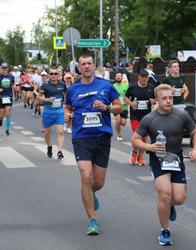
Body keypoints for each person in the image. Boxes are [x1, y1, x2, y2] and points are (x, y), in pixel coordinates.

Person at [132, 84, 196, 246]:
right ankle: (165, 230)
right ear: (156, 100)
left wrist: (195, 149)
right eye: (164, 98)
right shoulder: (149, 119)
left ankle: (171, 206)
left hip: (176, 159)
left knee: (179, 198)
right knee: (164, 193)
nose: (168, 101)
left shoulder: (182, 115)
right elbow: (135, 140)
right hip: (158, 159)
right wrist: (149, 147)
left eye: (170, 97)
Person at [64, 53, 122, 235]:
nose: (87, 66)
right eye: (83, 64)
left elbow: (119, 106)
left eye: (89, 63)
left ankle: (90, 193)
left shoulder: (106, 86)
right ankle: (92, 219)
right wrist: (67, 115)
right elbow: (67, 107)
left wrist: (106, 108)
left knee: (98, 182)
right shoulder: (73, 89)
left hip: (102, 137)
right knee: (85, 176)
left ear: (94, 66)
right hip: (81, 137)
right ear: (79, 68)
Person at [124, 69, 156, 166]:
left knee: (144, 137)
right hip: (135, 117)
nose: (144, 79)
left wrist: (153, 101)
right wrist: (131, 103)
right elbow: (125, 98)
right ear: (139, 77)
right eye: (142, 77)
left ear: (148, 78)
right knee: (137, 137)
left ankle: (140, 156)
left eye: (146, 77)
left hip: (146, 117)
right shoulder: (133, 87)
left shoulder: (151, 88)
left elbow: (155, 100)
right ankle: (134, 153)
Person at [36, 65, 67, 160]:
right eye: (51, 73)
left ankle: (60, 151)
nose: (53, 75)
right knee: (46, 133)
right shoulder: (45, 85)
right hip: (48, 112)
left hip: (59, 111)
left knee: (60, 131)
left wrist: (65, 102)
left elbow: (65, 95)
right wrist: (47, 99)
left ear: (58, 75)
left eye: (55, 73)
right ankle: (49, 146)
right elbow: (38, 97)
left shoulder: (62, 84)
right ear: (49, 75)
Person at [0, 62, 15, 136]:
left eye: (5, 68)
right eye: (3, 68)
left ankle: (7, 130)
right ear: (1, 68)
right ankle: (1, 120)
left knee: (8, 114)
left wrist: (14, 86)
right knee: (1, 115)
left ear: (7, 69)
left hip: (8, 96)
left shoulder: (11, 76)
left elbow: (12, 83)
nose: (4, 70)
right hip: (1, 97)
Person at [113, 72, 129, 141]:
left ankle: (120, 127)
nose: (118, 77)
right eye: (117, 76)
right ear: (115, 78)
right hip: (116, 106)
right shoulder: (113, 86)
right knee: (118, 120)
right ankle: (119, 135)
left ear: (122, 77)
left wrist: (128, 100)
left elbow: (129, 95)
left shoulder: (126, 85)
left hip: (124, 106)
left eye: (119, 76)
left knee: (123, 123)